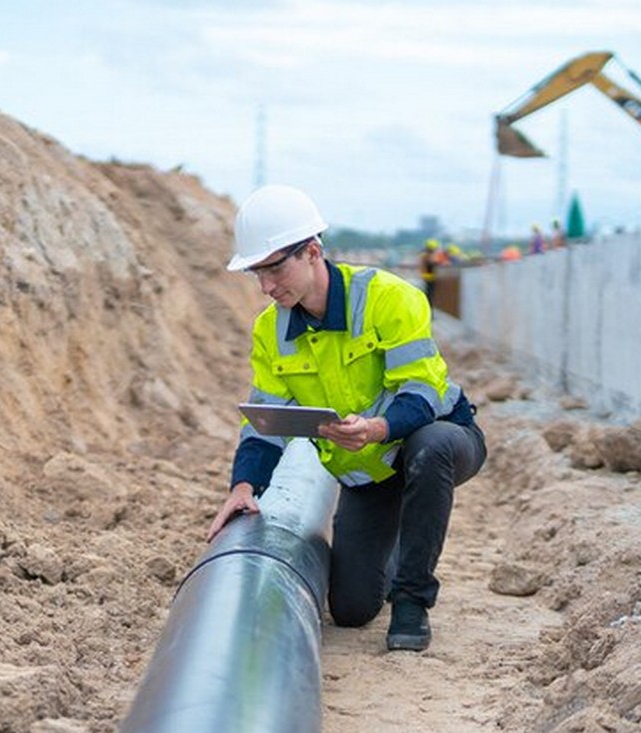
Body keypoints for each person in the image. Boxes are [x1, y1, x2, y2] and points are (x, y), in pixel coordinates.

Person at [207, 184, 487, 652]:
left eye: (275, 268)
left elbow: (421, 392)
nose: (267, 287)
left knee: (430, 447)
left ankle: (413, 602)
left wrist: (377, 428)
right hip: (370, 475)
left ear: (312, 252)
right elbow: (264, 422)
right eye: (258, 273)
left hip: (438, 440)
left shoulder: (388, 298)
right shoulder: (270, 330)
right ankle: (399, 540)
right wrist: (242, 488)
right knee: (353, 610)